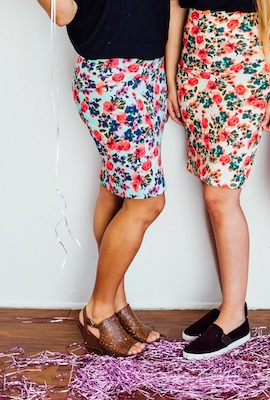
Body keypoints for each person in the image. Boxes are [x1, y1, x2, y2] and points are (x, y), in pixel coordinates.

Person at [37, 0, 179, 356]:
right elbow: (62, 14)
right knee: (148, 202)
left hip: (151, 70)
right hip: (109, 74)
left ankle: (116, 302)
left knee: (116, 190)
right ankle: (97, 311)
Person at [166, 0, 270, 359]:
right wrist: (172, 79)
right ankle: (229, 306)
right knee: (211, 196)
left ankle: (234, 318)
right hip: (196, 74)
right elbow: (178, 12)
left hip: (243, 77)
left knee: (221, 198)